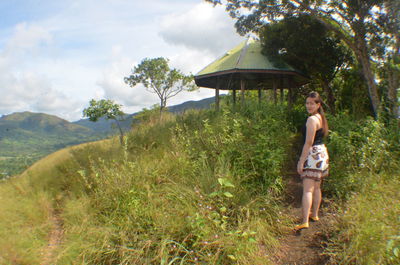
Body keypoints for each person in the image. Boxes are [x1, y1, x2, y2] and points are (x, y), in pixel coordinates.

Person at [294, 91, 329, 231]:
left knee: (308, 190)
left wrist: (301, 161)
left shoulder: (312, 120)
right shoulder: (321, 118)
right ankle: (314, 214)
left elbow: (308, 143)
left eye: (312, 103)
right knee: (317, 187)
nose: (308, 105)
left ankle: (304, 221)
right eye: (307, 103)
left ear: (318, 104)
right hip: (322, 153)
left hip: (313, 153)